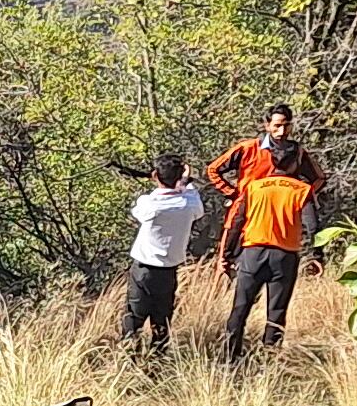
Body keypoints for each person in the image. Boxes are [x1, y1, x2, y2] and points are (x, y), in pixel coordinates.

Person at [218, 141, 319, 360]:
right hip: (285, 257)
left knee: (240, 308)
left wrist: (226, 255)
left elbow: (237, 222)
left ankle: (229, 358)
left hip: (252, 253)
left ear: (272, 160)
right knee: (276, 312)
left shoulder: (253, 188)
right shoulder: (303, 191)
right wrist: (317, 255)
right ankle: (269, 359)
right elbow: (313, 227)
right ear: (295, 164)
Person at [122, 156, 205, 353]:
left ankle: (129, 358)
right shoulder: (189, 204)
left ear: (155, 176)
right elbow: (194, 199)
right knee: (162, 319)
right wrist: (184, 182)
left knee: (134, 316)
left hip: (143, 270)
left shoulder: (150, 204)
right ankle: (157, 360)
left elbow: (139, 210)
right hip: (169, 272)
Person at [206, 103, 327, 237]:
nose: (281, 131)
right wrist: (233, 193)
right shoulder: (248, 149)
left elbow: (319, 179)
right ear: (267, 126)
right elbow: (213, 169)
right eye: (277, 126)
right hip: (248, 213)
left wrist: (298, 198)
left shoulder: (297, 153)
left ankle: (315, 255)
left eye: (286, 126)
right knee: (230, 248)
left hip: (279, 218)